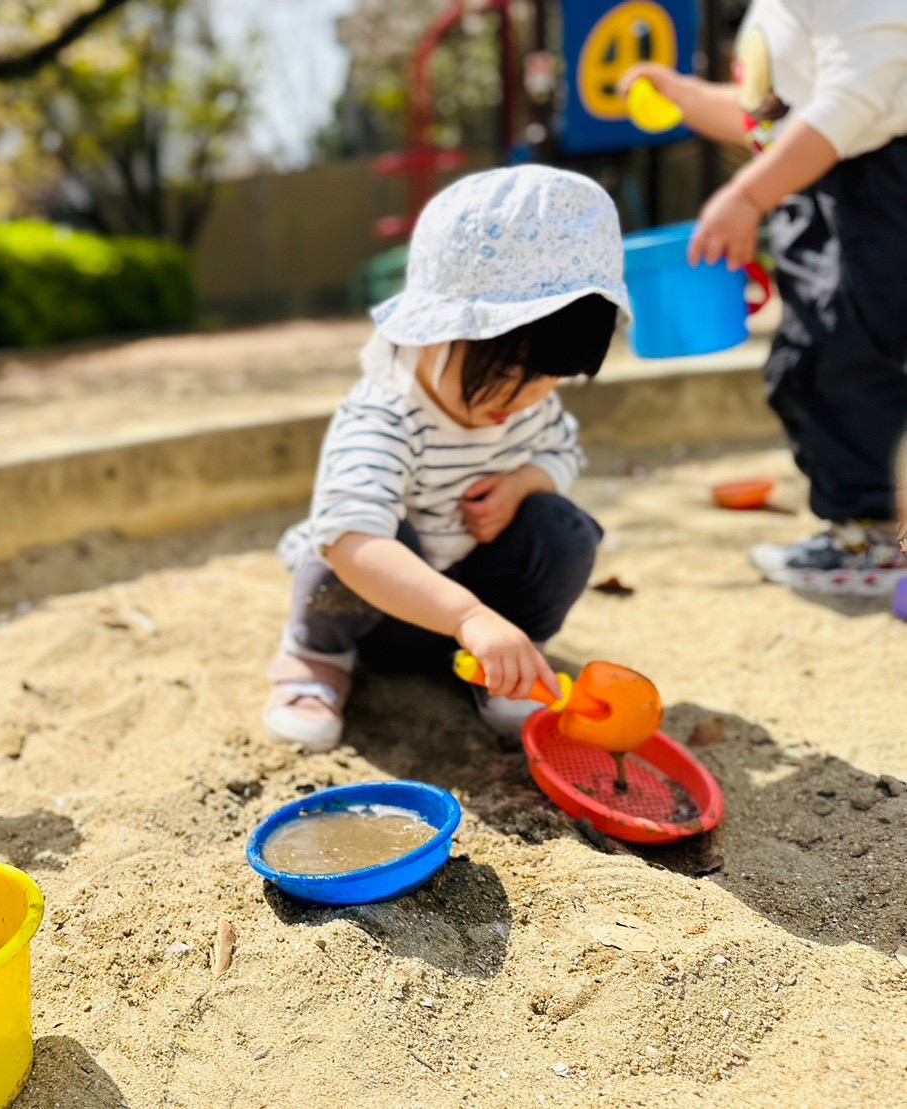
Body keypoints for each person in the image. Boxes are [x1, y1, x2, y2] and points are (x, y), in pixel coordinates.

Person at [263, 165, 630, 752]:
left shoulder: (531, 402)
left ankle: (507, 668)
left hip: (479, 614)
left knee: (563, 528)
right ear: (436, 328)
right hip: (379, 615)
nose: (527, 399)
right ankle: (315, 661)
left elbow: (563, 451)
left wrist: (524, 482)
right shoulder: (387, 414)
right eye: (508, 372)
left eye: (552, 378)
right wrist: (466, 617)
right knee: (343, 544)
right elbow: (353, 540)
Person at [623, 0, 907, 593]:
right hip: (822, 190)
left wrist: (749, 196)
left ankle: (879, 540)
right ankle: (857, 532)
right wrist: (685, 96)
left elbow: (852, 100)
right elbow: (775, 120)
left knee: (851, 360)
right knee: (810, 362)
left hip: (877, 192)